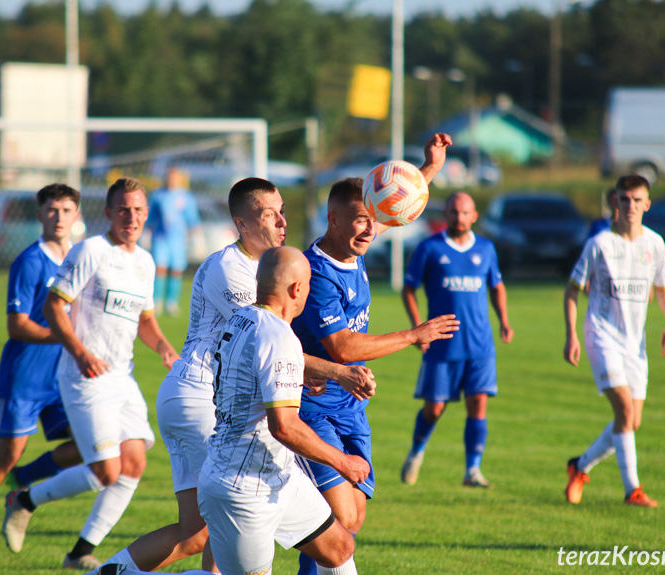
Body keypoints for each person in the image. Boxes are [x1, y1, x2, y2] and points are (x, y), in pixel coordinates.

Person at [90, 178, 376, 575]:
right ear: (242, 224)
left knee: (196, 534)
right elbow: (270, 344)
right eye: (267, 214)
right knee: (227, 534)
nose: (281, 221)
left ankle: (110, 572)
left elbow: (269, 347)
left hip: (206, 400)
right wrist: (336, 372)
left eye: (282, 211)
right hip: (199, 398)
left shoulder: (264, 273)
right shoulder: (233, 271)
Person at [292, 133, 460, 575]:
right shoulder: (316, 273)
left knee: (351, 520)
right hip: (310, 407)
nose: (369, 229)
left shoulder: (355, 245)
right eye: (358, 221)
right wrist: (413, 334)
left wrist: (430, 169)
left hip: (351, 405)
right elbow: (342, 346)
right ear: (332, 219)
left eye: (372, 220)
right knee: (340, 519)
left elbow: (393, 207)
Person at [1, 177, 180, 570]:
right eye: (123, 209)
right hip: (83, 376)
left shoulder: (145, 262)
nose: (130, 217)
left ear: (147, 214)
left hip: (122, 376)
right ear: (108, 213)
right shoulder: (91, 251)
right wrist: (79, 352)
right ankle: (24, 499)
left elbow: (145, 319)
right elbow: (53, 306)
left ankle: (80, 551)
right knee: (105, 470)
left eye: (137, 210)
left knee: (133, 464)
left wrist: (165, 346)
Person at [197, 246, 369, 575]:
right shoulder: (279, 336)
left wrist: (299, 375)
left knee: (338, 548)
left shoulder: (243, 317)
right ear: (297, 289)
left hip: (278, 475)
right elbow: (285, 427)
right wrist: (342, 461)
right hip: (243, 488)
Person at [0, 183, 84, 550]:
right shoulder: (29, 261)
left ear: (77, 216)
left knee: (89, 444)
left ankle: (23, 480)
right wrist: (66, 337)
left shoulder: (81, 259)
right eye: (52, 210)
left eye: (66, 210)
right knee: (7, 453)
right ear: (39, 214)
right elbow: (17, 324)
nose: (59, 217)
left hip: (62, 379)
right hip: (23, 377)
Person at [563, 174, 665, 508]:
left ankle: (579, 466)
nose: (629, 206)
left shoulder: (654, 244)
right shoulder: (600, 244)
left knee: (630, 422)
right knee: (625, 411)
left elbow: (662, 288)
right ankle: (633, 490)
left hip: (635, 344)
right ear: (615, 202)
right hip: (602, 338)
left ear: (647, 204)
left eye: (636, 200)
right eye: (623, 199)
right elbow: (573, 289)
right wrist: (571, 333)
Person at [399, 191, 513, 488]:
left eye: (464, 213)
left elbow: (496, 286)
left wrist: (504, 321)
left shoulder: (486, 249)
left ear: (474, 216)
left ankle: (472, 470)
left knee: (478, 404)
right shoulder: (430, 248)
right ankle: (416, 452)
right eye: (453, 212)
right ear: (445, 215)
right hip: (442, 343)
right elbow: (408, 288)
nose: (459, 218)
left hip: (480, 345)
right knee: (434, 408)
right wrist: (417, 329)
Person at [147, 167, 201, 316]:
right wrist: (146, 232)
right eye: (169, 177)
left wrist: (197, 238)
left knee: (176, 271)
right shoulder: (158, 195)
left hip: (178, 239)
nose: (171, 180)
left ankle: (172, 303)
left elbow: (192, 218)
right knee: (160, 268)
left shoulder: (186, 196)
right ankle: (156, 301)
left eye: (174, 178)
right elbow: (151, 216)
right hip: (160, 237)